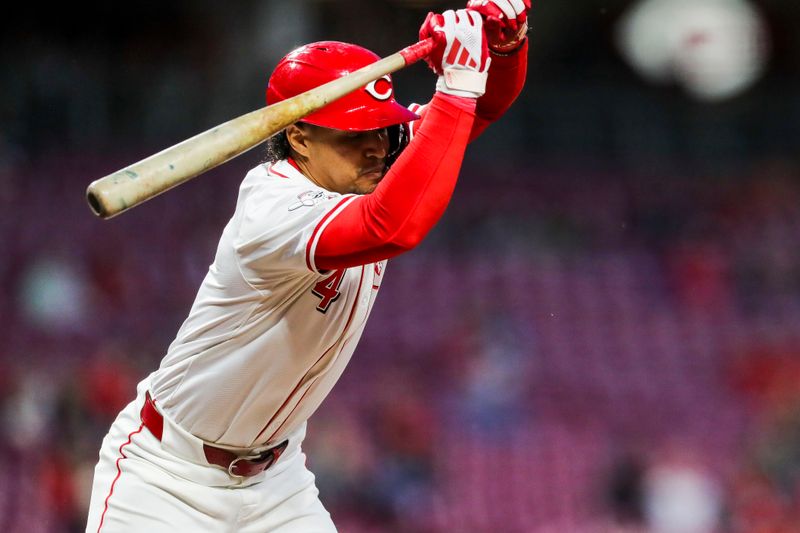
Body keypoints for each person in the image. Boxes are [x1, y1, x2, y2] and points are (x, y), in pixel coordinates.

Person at [85, 1, 530, 531]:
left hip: (276, 482)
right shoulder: (272, 207)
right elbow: (393, 227)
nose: (375, 149)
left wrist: (505, 46)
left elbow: (479, 111)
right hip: (167, 476)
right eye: (354, 135)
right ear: (299, 136)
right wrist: (455, 85)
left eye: (383, 131)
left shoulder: (371, 168)